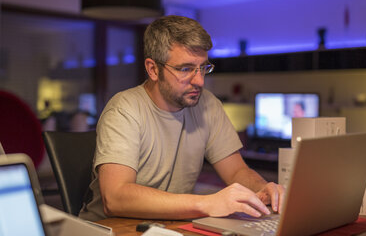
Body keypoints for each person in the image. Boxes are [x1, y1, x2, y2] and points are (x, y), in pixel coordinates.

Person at [79, 15, 285, 221]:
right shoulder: (124, 110)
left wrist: (264, 188)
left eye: (203, 68)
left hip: (168, 227)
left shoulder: (208, 104)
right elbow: (115, 198)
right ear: (153, 69)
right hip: (109, 229)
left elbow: (236, 171)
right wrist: (207, 203)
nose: (200, 81)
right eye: (185, 69)